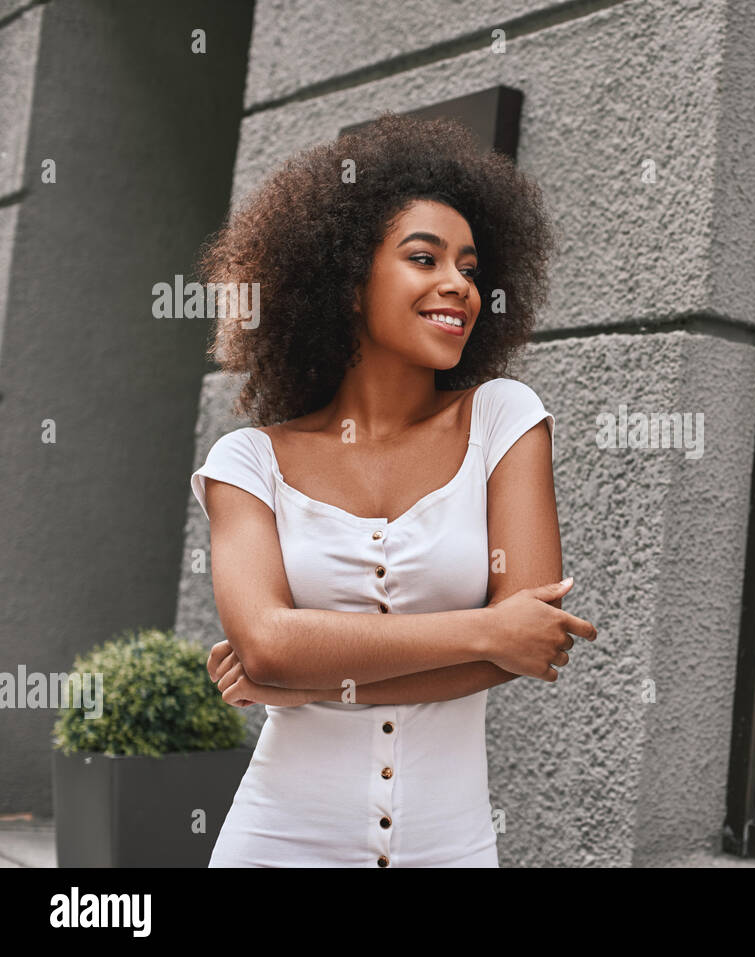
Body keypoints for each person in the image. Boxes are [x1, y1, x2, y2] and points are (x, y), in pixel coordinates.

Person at [189, 113, 598, 867]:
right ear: (346, 281)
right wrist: (481, 629)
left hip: (453, 848)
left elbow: (531, 642)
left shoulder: (504, 421)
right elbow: (269, 641)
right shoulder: (248, 462)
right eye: (424, 258)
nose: (458, 286)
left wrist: (308, 680)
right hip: (275, 844)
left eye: (470, 269)